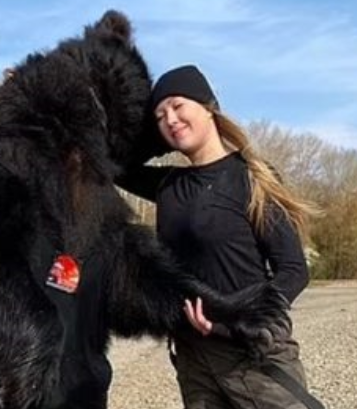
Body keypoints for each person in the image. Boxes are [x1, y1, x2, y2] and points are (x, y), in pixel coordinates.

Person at [117, 65, 321, 409]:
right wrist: (160, 133)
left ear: (209, 106)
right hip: (192, 356)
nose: (170, 118)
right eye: (160, 115)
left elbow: (293, 270)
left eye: (178, 106)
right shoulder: (168, 185)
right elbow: (115, 163)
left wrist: (240, 322)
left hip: (252, 354)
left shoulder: (252, 179)